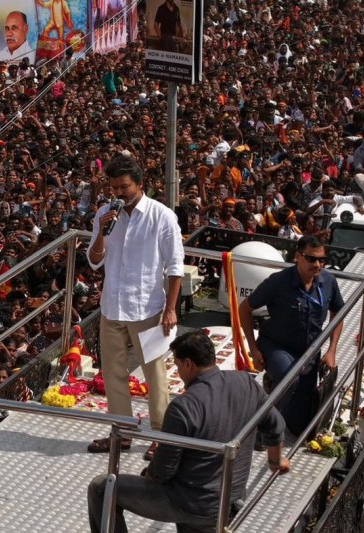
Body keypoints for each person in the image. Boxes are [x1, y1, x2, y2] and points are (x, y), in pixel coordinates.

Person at [87, 330, 290, 533]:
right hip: (232, 497)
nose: (178, 371)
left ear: (188, 364)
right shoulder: (246, 383)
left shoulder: (183, 407)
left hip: (190, 502)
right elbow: (275, 425)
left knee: (101, 488)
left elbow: (162, 471)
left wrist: (148, 474)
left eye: (177, 365)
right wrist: (275, 461)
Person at [86, 154, 183, 455]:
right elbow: (93, 261)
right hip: (112, 307)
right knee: (113, 374)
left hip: (148, 308)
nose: (118, 194)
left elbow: (176, 266)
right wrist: (102, 232)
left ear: (140, 185)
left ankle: (160, 438)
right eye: (114, 188)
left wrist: (170, 308)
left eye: (124, 187)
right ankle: (123, 432)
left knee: (154, 374)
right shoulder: (105, 213)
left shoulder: (161, 215)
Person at [239, 235, 345, 436]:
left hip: (310, 351)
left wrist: (331, 350)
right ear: (298, 256)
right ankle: (264, 430)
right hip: (277, 346)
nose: (317, 264)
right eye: (311, 259)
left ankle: (274, 396)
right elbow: (244, 309)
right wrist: (253, 349)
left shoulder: (328, 281)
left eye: (322, 260)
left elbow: (338, 312)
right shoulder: (278, 282)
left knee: (300, 427)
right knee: (288, 378)